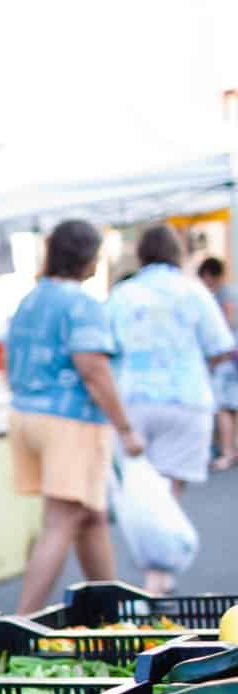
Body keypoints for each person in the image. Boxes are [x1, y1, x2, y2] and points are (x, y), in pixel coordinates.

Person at [5, 219, 145, 615]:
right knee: (62, 522)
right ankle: (21, 622)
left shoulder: (30, 299)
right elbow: (94, 371)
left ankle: (110, 611)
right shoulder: (81, 304)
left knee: (91, 517)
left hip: (27, 415)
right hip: (70, 420)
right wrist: (126, 428)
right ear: (86, 257)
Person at [107, 226, 235, 593]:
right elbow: (221, 345)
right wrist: (196, 367)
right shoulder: (193, 292)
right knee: (167, 489)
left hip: (131, 399)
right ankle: (158, 576)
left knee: (139, 486)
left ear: (142, 254)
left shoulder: (123, 294)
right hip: (186, 398)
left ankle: (153, 572)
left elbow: (103, 347)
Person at [196, 256, 238, 470]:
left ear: (209, 275)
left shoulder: (225, 295)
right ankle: (234, 449)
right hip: (233, 356)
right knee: (233, 405)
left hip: (228, 357)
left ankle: (228, 453)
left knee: (223, 406)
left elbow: (227, 324)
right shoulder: (230, 291)